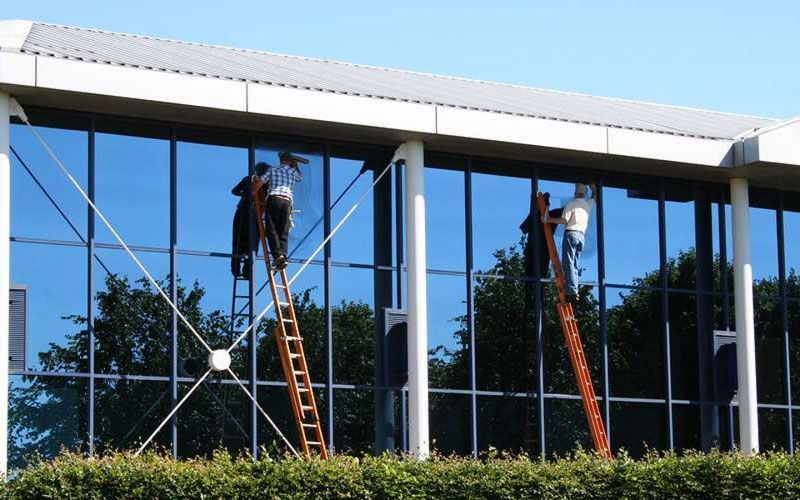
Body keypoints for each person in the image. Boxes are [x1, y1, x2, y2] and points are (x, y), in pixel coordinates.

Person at [542, 183, 596, 304]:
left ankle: (571, 292)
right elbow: (595, 197)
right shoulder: (587, 205)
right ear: (585, 193)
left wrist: (548, 219)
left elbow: (564, 220)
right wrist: (594, 187)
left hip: (571, 234)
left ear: (575, 193)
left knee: (568, 264)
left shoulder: (571, 204)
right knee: (575, 264)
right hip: (581, 237)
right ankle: (574, 290)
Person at [263, 151, 309, 270]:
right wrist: (295, 164)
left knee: (271, 229)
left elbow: (261, 181)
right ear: (290, 161)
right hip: (287, 202)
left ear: (281, 160)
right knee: (283, 230)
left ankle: (278, 256)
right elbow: (299, 178)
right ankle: (283, 255)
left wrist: (253, 194)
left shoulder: (273, 170)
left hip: (274, 199)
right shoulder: (293, 172)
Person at [230, 162, 269, 279]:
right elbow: (235, 191)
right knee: (250, 244)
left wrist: (244, 195)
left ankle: (237, 268)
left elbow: (234, 191)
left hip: (244, 213)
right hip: (251, 215)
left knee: (238, 242)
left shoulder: (249, 179)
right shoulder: (263, 183)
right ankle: (246, 271)